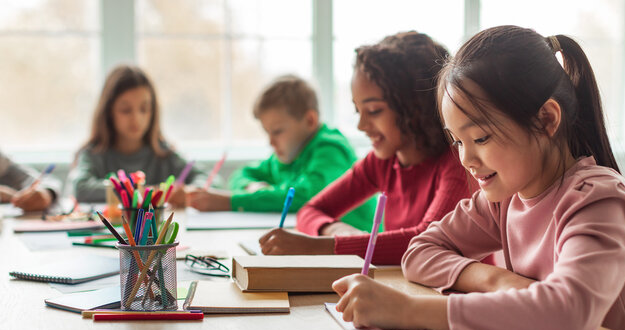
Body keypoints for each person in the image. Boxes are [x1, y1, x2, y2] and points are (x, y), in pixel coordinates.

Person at [332, 25, 625, 330]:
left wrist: (409, 309)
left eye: (480, 138)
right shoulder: (502, 200)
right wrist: (497, 280)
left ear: (546, 120)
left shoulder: (598, 200)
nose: (466, 159)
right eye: (457, 141)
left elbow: (568, 313)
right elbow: (420, 253)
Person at [258, 32, 474, 265]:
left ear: (415, 107)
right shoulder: (382, 162)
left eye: (374, 111)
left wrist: (318, 246)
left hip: (461, 298)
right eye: (357, 111)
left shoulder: (458, 162)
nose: (361, 125)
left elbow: (425, 243)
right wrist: (336, 230)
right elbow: (309, 211)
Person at [187, 75, 377, 231]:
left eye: (277, 132)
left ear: (310, 120)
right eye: (268, 132)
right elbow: (241, 174)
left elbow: (304, 197)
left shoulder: (331, 150)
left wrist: (229, 202)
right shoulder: (287, 155)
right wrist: (253, 187)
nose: (271, 142)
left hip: (364, 258)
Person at [70, 65, 205, 205]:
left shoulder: (164, 154)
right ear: (109, 112)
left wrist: (188, 193)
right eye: (125, 110)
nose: (136, 119)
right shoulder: (94, 154)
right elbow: (81, 188)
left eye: (144, 109)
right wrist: (147, 193)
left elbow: (209, 179)